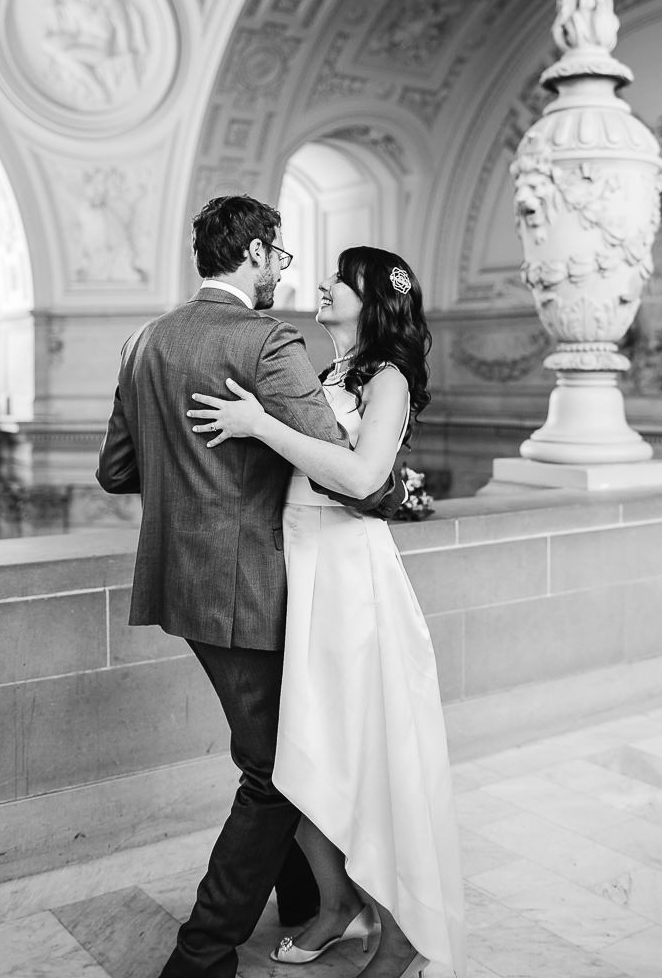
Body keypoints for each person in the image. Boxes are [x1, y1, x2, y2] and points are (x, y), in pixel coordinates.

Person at [96, 196, 402, 978]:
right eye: (282, 257)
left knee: (288, 746)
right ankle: (199, 957)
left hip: (182, 586)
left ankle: (307, 905)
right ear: (259, 253)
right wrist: (398, 493)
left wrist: (193, 489)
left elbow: (117, 471)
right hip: (256, 589)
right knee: (272, 772)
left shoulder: (144, 341)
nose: (284, 273)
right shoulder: (267, 340)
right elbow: (348, 470)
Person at [187, 247, 467, 978]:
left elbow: (365, 476)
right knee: (298, 762)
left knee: (366, 755)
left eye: (340, 279)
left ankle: (401, 932)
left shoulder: (390, 379)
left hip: (350, 577)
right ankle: (336, 902)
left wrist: (261, 426)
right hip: (298, 572)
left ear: (370, 299)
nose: (323, 284)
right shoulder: (328, 373)